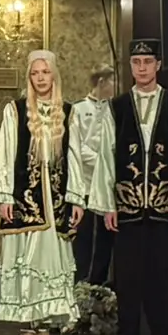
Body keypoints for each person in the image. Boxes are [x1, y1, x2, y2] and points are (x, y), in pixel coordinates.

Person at [86, 40, 168, 335]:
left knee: (158, 276)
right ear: (131, 66)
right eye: (136, 62)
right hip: (127, 206)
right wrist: (107, 204)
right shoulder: (117, 107)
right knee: (127, 277)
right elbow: (106, 157)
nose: (142, 68)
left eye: (148, 61)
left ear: (158, 65)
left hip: (162, 205)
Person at [0, 51, 83, 335]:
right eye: (35, 73)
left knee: (49, 266)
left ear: (54, 75)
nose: (41, 78)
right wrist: (4, 195)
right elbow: (5, 153)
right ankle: (27, 333)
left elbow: (74, 157)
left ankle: (45, 330)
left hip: (55, 205)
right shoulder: (15, 111)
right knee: (26, 264)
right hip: (25, 201)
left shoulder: (68, 112)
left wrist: (76, 198)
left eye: (45, 72)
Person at [71, 67, 118, 285]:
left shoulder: (115, 110)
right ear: (101, 81)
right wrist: (101, 160)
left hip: (108, 188)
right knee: (84, 238)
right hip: (86, 186)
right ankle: (81, 285)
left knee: (105, 240)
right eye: (112, 81)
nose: (115, 87)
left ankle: (100, 286)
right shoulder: (78, 109)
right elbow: (77, 146)